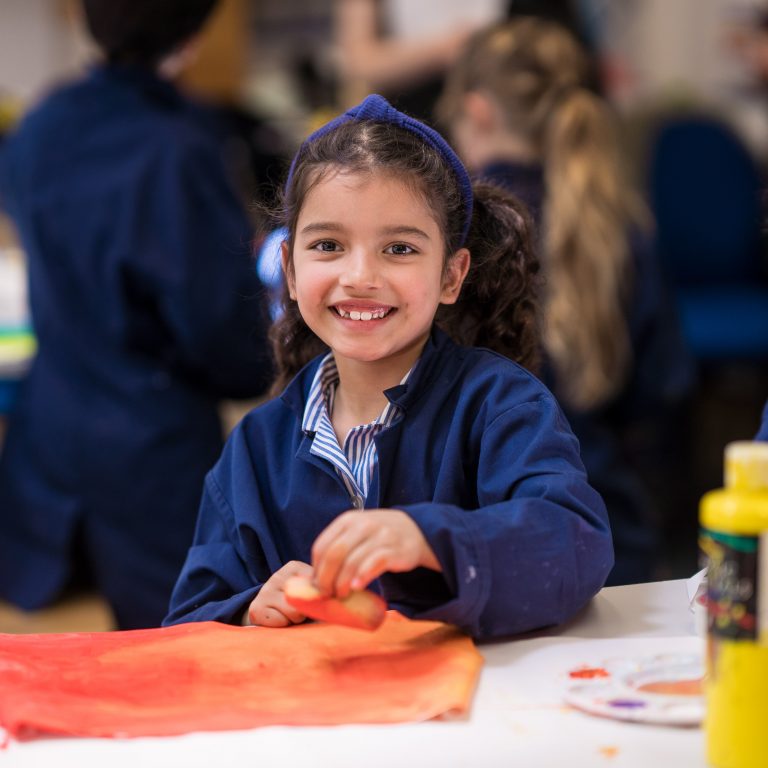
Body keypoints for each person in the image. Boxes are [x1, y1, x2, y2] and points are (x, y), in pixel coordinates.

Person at [163, 93, 613, 640]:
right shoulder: (255, 448)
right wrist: (248, 608)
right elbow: (188, 621)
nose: (359, 275)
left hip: (476, 714)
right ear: (289, 268)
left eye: (399, 249)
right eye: (328, 245)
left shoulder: (501, 406)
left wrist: (428, 539)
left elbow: (575, 543)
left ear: (452, 275)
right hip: (324, 720)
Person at [0, 0, 273, 629]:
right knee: (182, 666)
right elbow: (223, 334)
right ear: (196, 32)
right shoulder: (180, 148)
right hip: (152, 465)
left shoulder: (40, 125)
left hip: (49, 445)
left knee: (63, 681)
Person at [437, 17, 694, 585]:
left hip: (484, 550)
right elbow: (663, 391)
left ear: (477, 112)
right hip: (615, 541)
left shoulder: (452, 239)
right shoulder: (618, 226)